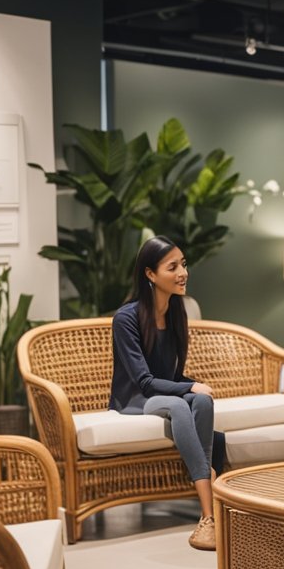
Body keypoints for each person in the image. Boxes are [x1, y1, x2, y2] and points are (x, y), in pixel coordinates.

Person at [110, 235, 224, 551]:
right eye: (172, 266)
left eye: (183, 264)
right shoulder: (126, 318)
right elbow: (145, 382)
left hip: (160, 393)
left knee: (201, 400)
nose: (182, 272)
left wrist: (192, 386)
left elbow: (170, 375)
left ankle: (211, 501)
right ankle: (208, 515)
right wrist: (188, 386)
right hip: (133, 400)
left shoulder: (176, 312)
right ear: (150, 274)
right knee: (180, 402)